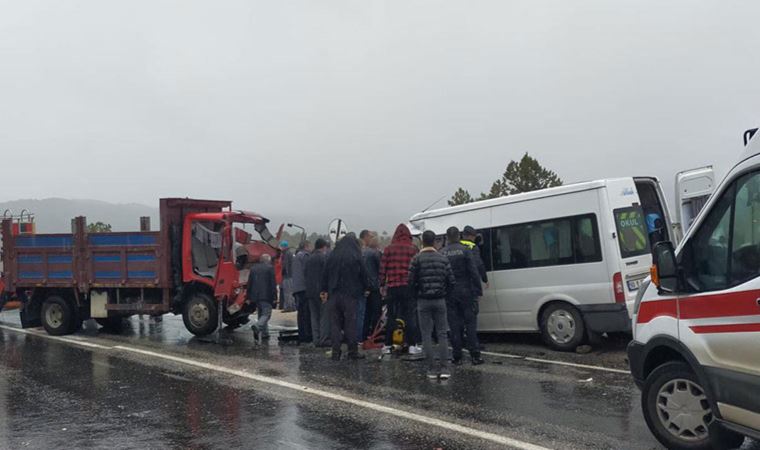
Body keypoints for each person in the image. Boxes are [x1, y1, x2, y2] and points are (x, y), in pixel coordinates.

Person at [409, 230, 455, 379]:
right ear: (434, 241)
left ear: (422, 241)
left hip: (423, 300)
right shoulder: (442, 259)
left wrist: (417, 293)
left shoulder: (416, 259)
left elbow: (411, 281)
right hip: (440, 300)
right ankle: (444, 368)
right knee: (442, 334)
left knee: (426, 334)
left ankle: (431, 369)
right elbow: (451, 281)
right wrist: (444, 293)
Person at [321, 233, 369, 361]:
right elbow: (363, 273)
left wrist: (324, 289)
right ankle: (352, 351)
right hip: (350, 294)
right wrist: (366, 287)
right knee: (350, 323)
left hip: (334, 294)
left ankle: (335, 351)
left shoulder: (332, 255)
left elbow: (325, 273)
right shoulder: (355, 255)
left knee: (335, 324)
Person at [440, 226, 484, 365]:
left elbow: (441, 275)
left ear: (447, 237)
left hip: (450, 293)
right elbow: (473, 271)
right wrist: (478, 290)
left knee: (454, 325)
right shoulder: (466, 250)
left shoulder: (442, 253)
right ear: (459, 236)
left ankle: (457, 356)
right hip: (466, 291)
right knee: (470, 324)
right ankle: (475, 355)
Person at [379, 224, 421, 355]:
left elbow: (382, 269)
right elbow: (417, 269)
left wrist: (381, 285)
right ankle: (412, 345)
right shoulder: (413, 249)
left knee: (391, 316)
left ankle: (388, 345)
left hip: (392, 287)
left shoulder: (388, 249)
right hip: (408, 287)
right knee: (410, 316)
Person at [305, 238, 331, 347]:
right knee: (324, 316)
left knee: (314, 316)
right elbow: (326, 275)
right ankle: (323, 339)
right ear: (324, 247)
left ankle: (316, 339)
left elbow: (305, 273)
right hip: (321, 292)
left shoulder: (309, 258)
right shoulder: (323, 258)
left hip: (310, 291)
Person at [248, 254, 277, 344]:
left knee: (261, 314)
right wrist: (275, 297)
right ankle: (257, 326)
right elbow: (273, 284)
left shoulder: (253, 269)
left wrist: (249, 296)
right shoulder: (270, 268)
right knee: (266, 314)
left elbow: (250, 283)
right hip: (266, 295)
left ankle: (265, 334)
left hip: (255, 296)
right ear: (268, 260)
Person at [361, 231, 383, 342]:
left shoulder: (362, 252)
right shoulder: (376, 254)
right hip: (374, 286)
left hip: (365, 286)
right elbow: (381, 269)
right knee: (376, 312)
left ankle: (364, 335)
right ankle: (376, 335)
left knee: (367, 313)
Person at [292, 241, 313, 343]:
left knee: (301, 313)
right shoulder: (305, 256)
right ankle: (306, 335)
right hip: (304, 288)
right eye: (310, 246)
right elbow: (307, 271)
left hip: (297, 288)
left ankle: (302, 334)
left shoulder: (296, 256)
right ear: (306, 246)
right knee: (306, 313)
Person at [279, 241, 296, 312]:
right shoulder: (290, 253)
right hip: (291, 276)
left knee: (287, 292)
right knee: (290, 292)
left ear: (283, 246)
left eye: (281, 246)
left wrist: (282, 273)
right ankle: (292, 306)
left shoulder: (286, 254)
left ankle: (288, 307)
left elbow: (285, 265)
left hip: (287, 276)